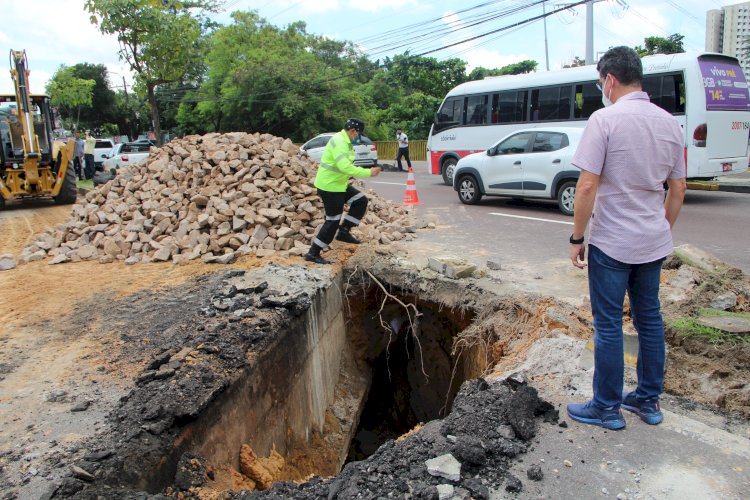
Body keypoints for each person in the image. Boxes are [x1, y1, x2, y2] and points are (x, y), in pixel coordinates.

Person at [566, 46, 687, 430]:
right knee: (649, 319)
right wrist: (660, 229)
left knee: (609, 325)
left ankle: (606, 407)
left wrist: (577, 237)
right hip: (652, 240)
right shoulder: (670, 123)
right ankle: (647, 402)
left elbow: (586, 186)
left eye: (602, 81)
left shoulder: (604, 120)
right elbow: (678, 188)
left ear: (610, 80)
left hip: (613, 242)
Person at [305, 118, 382, 265]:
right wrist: (369, 173)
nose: (358, 138)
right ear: (353, 131)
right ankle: (313, 253)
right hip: (330, 186)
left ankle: (344, 232)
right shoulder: (340, 142)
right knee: (333, 220)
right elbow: (345, 167)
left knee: (360, 201)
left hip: (339, 184)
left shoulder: (346, 141)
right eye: (358, 134)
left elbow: (346, 166)